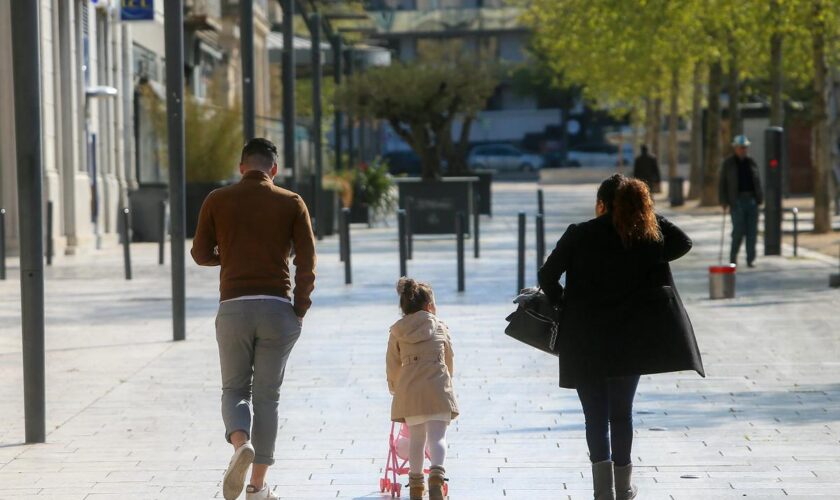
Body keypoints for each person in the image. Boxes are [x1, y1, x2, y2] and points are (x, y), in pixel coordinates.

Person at [538, 174, 704, 500]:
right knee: (621, 413)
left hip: (585, 339)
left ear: (601, 203)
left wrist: (564, 303)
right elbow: (683, 242)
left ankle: (603, 492)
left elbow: (547, 276)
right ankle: (625, 488)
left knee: (595, 417)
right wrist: (645, 215)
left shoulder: (579, 234)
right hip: (630, 342)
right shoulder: (645, 238)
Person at [191, 138, 316, 500]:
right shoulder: (291, 202)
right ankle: (258, 487)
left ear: (241, 166)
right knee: (267, 398)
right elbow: (306, 261)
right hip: (277, 308)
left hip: (233, 308)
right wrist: (300, 308)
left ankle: (239, 445)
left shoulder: (217, 200)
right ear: (274, 169)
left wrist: (228, 255)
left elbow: (200, 253)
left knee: (234, 389)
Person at [386, 278, 459, 500]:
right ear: (429, 306)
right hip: (437, 388)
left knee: (417, 439)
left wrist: (394, 387)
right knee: (437, 438)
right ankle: (436, 477)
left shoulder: (397, 331)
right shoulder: (440, 327)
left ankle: (416, 486)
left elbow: (392, 364)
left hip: (410, 392)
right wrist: (447, 380)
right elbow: (449, 358)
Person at [719, 135, 763, 267]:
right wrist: (723, 200)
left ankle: (751, 259)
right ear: (736, 148)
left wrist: (759, 198)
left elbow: (757, 180)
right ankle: (733, 257)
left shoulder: (751, 162)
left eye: (745, 148)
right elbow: (722, 183)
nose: (744, 150)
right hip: (736, 201)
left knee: (752, 232)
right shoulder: (728, 163)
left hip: (751, 200)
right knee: (738, 231)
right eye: (741, 148)